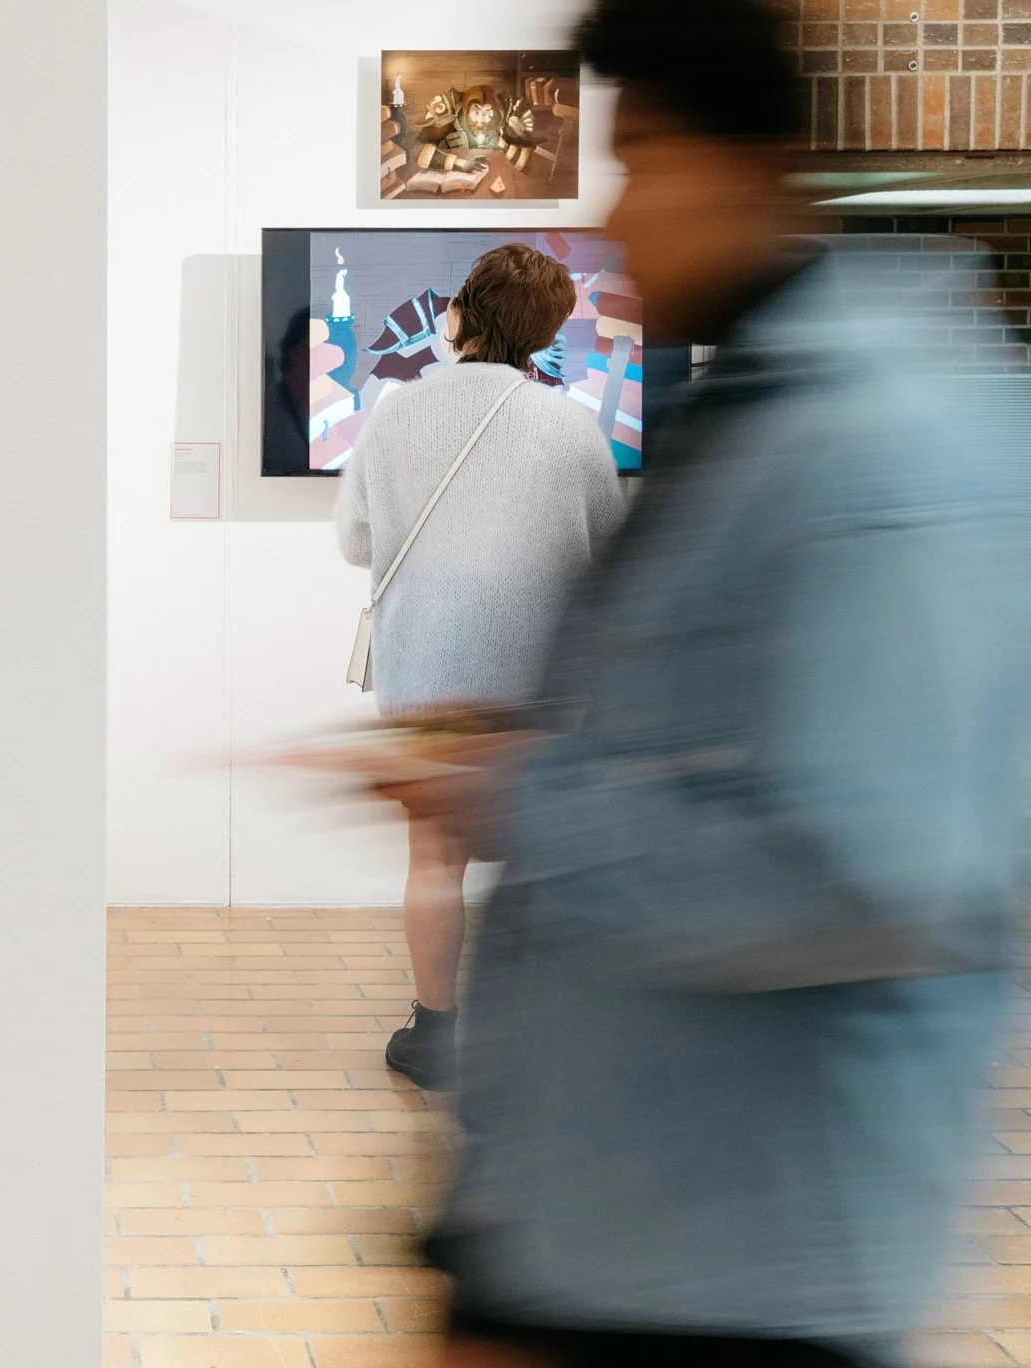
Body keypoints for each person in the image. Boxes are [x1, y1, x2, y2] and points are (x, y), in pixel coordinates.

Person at [369, 2, 1031, 1364]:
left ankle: (427, 1023)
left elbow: (868, 867)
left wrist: (532, 799)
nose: (615, 216)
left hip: (733, 1273)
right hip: (610, 1222)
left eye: (648, 159)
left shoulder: (884, 449)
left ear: (764, 168)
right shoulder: (731, 418)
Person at [335, 242, 622, 1091]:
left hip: (425, 665)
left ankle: (435, 1035)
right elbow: (607, 556)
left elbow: (357, 543)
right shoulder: (572, 425)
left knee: (434, 860)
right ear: (546, 334)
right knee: (541, 857)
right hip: (538, 675)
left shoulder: (391, 413)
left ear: (457, 314)